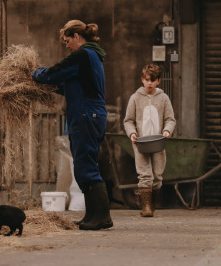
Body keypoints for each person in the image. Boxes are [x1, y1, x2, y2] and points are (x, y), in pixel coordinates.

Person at [32, 20, 113, 230]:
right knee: (84, 165)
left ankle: (102, 216)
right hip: (88, 113)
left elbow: (54, 73)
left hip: (86, 114)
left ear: (77, 37)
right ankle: (92, 215)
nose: (66, 46)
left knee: (86, 165)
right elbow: (67, 84)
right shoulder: (92, 57)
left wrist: (34, 74)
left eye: (68, 41)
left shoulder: (83, 55)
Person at [123, 63, 176, 217]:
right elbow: (128, 120)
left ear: (158, 81)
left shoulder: (164, 98)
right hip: (141, 142)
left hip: (158, 142)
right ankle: (146, 207)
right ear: (142, 80)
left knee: (157, 175)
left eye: (153, 80)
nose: (149, 83)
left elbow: (170, 119)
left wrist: (167, 131)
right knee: (144, 174)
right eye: (147, 80)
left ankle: (152, 204)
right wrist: (132, 133)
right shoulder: (135, 98)